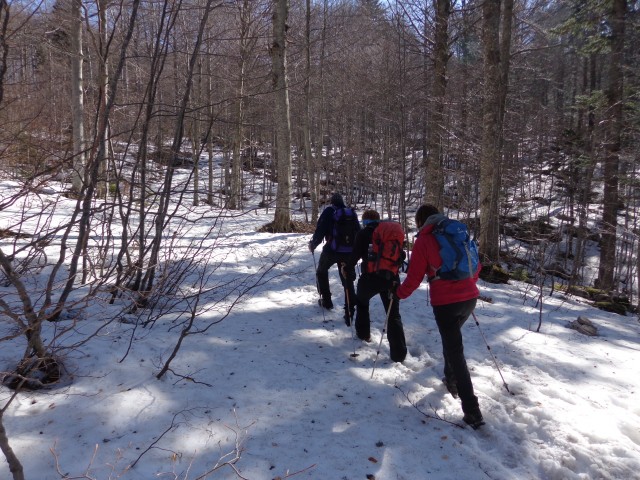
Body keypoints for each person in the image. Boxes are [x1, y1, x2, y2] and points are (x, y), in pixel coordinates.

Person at [393, 204, 484, 429]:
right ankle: (450, 380)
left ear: (420, 221)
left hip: (446, 303)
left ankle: (472, 410)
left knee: (456, 352)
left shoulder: (424, 241)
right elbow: (476, 266)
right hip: (469, 298)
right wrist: (467, 287)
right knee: (451, 342)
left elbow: (413, 278)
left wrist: (398, 294)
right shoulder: (457, 234)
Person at [341, 209, 407, 363]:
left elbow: (355, 255)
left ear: (364, 221)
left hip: (370, 278)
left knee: (362, 302)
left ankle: (364, 333)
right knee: (393, 314)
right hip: (391, 279)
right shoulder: (389, 234)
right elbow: (401, 255)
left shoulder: (363, 234)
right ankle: (399, 354)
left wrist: (347, 268)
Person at [308, 193, 359, 322]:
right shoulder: (350, 213)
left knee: (321, 271)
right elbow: (358, 231)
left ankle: (326, 300)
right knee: (347, 278)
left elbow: (321, 229)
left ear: (332, 202)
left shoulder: (329, 211)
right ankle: (350, 309)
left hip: (332, 250)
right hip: (348, 251)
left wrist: (314, 243)